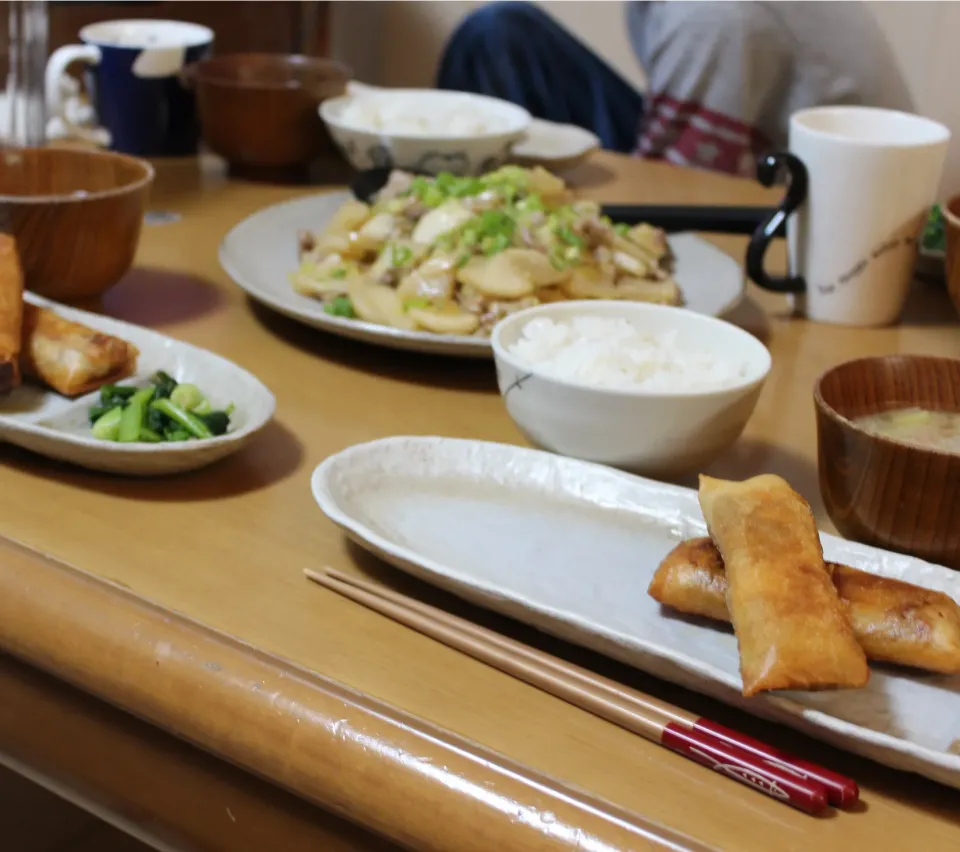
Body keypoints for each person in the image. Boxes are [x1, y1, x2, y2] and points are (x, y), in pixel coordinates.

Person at [437, 1, 913, 177]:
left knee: (497, 37)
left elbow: (683, 193)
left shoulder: (711, 16)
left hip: (811, 214)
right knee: (500, 35)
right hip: (747, 145)